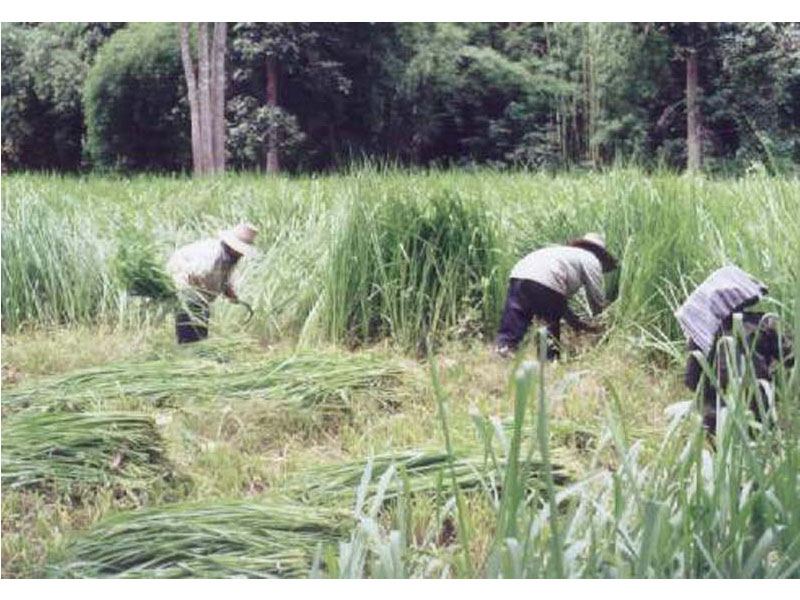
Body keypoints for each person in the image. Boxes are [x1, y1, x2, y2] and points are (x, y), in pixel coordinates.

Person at [676, 265, 793, 433]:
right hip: (762, 414)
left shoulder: (703, 336)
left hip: (717, 420)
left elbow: (692, 381)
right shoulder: (766, 323)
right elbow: (791, 360)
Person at [496, 232, 618, 359]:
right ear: (600, 254)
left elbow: (558, 302)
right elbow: (595, 296)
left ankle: (505, 348)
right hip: (547, 279)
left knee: (517, 313)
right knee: (548, 321)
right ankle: (548, 359)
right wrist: (601, 322)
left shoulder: (564, 253)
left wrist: (575, 322)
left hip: (519, 273)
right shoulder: (591, 259)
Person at [166, 223, 259, 344]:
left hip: (199, 294)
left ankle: (195, 352)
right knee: (191, 324)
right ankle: (189, 353)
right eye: (240, 250)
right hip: (186, 287)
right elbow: (191, 274)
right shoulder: (211, 254)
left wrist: (227, 290)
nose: (242, 254)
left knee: (200, 324)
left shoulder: (230, 258)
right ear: (233, 247)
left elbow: (224, 276)